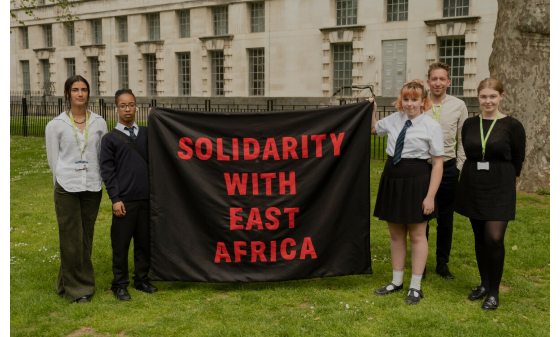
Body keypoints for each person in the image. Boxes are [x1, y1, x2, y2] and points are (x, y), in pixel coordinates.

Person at [370, 80, 444, 305]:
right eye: (406, 99)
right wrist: (371, 111)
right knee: (395, 234)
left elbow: (438, 164)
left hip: (417, 180)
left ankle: (415, 286)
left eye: (414, 99)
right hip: (392, 179)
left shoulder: (432, 126)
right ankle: (396, 281)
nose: (409, 104)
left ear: (423, 101)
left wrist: (430, 196)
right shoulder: (393, 119)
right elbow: (373, 130)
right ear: (401, 100)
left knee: (418, 235)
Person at [455, 78, 526, 311]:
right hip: (473, 184)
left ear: (501, 97)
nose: (488, 101)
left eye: (492, 96)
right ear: (478, 97)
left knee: (494, 238)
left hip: (500, 186)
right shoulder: (469, 124)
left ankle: (494, 292)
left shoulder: (512, 125)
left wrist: (502, 178)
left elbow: (518, 159)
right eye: (484, 96)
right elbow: (468, 149)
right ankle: (484, 284)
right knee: (479, 237)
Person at [45, 75, 108, 303]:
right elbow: (54, 159)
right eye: (75, 90)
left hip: (92, 184)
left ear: (88, 93)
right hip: (67, 186)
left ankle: (64, 282)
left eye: (83, 89)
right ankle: (80, 290)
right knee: (71, 238)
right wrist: (61, 180)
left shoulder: (99, 123)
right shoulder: (56, 125)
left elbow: (103, 154)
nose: (80, 94)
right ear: (67, 94)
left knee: (85, 238)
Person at [100, 89, 157, 301]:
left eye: (131, 105)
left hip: (146, 199)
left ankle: (141, 279)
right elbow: (108, 171)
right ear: (116, 108)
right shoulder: (110, 139)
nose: (127, 109)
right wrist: (115, 199)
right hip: (124, 201)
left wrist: (157, 118)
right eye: (123, 105)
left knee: (144, 242)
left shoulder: (146, 134)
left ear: (136, 107)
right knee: (121, 244)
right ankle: (120, 284)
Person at [424, 62, 469, 280]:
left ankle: (442, 263)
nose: (438, 83)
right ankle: (420, 264)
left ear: (448, 82)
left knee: (445, 219)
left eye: (442, 79)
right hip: (423, 169)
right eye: (434, 79)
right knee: (420, 218)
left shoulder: (458, 105)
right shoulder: (418, 103)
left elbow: (464, 139)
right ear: (428, 82)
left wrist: (459, 167)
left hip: (449, 168)